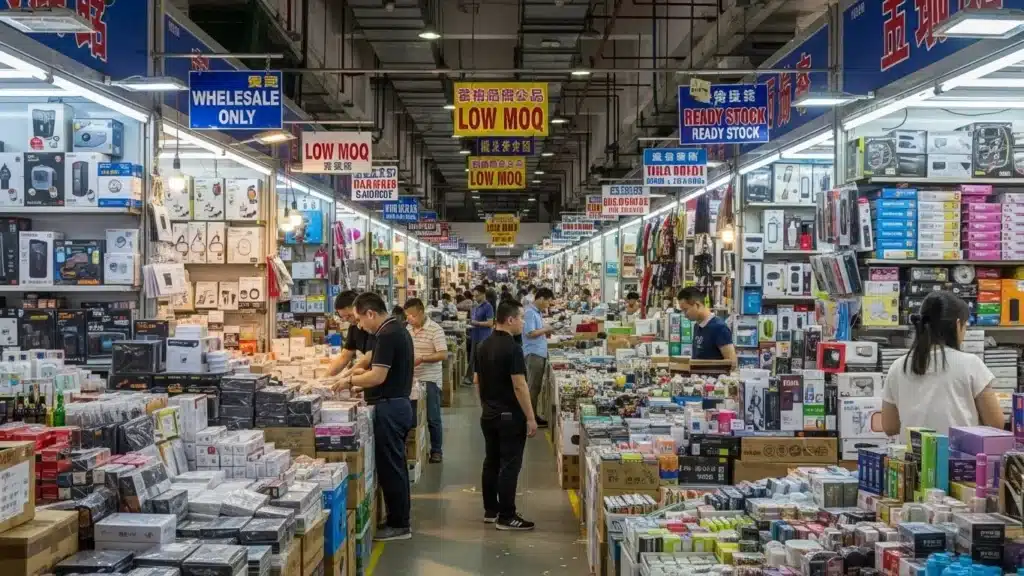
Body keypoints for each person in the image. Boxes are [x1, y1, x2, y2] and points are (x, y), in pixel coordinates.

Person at [336, 292, 415, 541]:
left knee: (391, 468)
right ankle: (398, 518)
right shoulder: (394, 330)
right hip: (396, 404)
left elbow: (377, 376)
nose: (359, 325)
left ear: (371, 314)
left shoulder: (387, 334)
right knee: (395, 466)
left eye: (360, 319)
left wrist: (349, 380)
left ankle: (399, 524)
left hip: (390, 408)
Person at [882, 291, 1003, 437]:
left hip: (913, 457)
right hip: (959, 457)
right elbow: (996, 424)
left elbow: (889, 426)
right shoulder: (971, 364)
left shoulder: (898, 366)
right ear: (958, 325)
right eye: (965, 326)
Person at [474, 298, 537, 531]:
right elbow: (519, 385)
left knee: (491, 462)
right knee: (510, 464)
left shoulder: (483, 345)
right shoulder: (513, 349)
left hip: (489, 415)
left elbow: (477, 380)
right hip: (509, 416)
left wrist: (485, 405)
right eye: (521, 318)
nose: (522, 322)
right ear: (509, 320)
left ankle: (491, 510)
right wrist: (530, 417)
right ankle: (507, 516)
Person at [404, 298, 448, 463]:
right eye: (407, 316)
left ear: (421, 312)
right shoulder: (407, 329)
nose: (409, 319)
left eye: (412, 315)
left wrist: (422, 358)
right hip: (410, 380)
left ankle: (436, 450)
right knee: (411, 417)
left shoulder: (435, 330)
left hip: (429, 379)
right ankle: (413, 449)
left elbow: (443, 354)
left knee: (432, 416)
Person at [676, 287, 736, 365]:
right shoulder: (697, 326)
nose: (684, 314)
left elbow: (732, 363)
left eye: (686, 310)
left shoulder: (719, 328)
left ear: (697, 305)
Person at [523, 287, 555, 429]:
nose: (549, 304)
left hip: (538, 352)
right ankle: (530, 418)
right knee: (533, 387)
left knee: (535, 387)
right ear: (541, 299)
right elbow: (530, 333)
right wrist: (546, 329)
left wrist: (544, 329)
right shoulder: (530, 312)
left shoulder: (536, 312)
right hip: (534, 353)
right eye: (548, 301)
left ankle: (532, 415)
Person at [327, 290, 374, 377]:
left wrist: (344, 378)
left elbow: (367, 359)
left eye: (349, 316)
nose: (346, 319)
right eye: (343, 317)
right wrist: (324, 378)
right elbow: (344, 357)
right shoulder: (353, 327)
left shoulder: (373, 328)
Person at [463, 285, 494, 386]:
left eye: (477, 296)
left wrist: (477, 323)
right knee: (472, 358)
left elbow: (490, 323)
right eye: (474, 296)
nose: (475, 298)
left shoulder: (488, 307)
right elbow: (473, 320)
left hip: (484, 337)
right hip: (474, 335)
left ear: (483, 294)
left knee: (482, 359)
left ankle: (483, 379)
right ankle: (469, 378)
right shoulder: (475, 306)